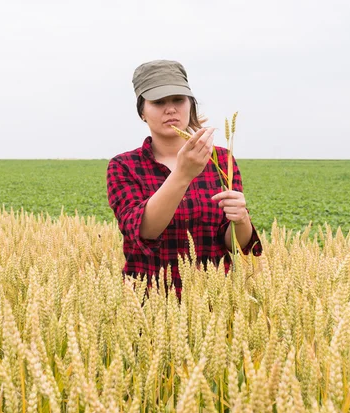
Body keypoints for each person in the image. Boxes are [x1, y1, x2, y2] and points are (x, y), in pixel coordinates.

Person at [106, 60, 262, 298]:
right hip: (150, 307)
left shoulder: (222, 159)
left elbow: (234, 245)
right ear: (142, 112)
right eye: (158, 102)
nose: (170, 109)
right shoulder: (124, 166)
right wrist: (183, 174)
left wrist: (241, 220)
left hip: (215, 303)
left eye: (178, 99)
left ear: (190, 104)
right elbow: (144, 231)